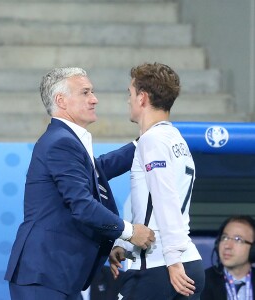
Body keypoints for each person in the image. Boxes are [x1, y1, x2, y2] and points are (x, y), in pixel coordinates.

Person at [4, 67, 155, 300]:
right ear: (61, 100)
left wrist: (143, 143)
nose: (94, 99)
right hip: (44, 274)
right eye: (85, 92)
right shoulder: (61, 142)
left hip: (58, 275)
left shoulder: (65, 139)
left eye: (92, 92)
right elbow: (82, 205)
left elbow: (99, 170)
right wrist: (130, 232)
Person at [109, 62, 205, 299]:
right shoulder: (176, 139)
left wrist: (172, 260)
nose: (128, 101)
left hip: (162, 269)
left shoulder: (152, 141)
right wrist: (127, 245)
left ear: (142, 98)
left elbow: (164, 200)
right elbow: (148, 205)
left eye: (130, 94)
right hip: (187, 263)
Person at [201, 215, 255, 300]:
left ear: (253, 249)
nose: (227, 246)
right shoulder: (202, 282)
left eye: (238, 239)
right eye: (225, 238)